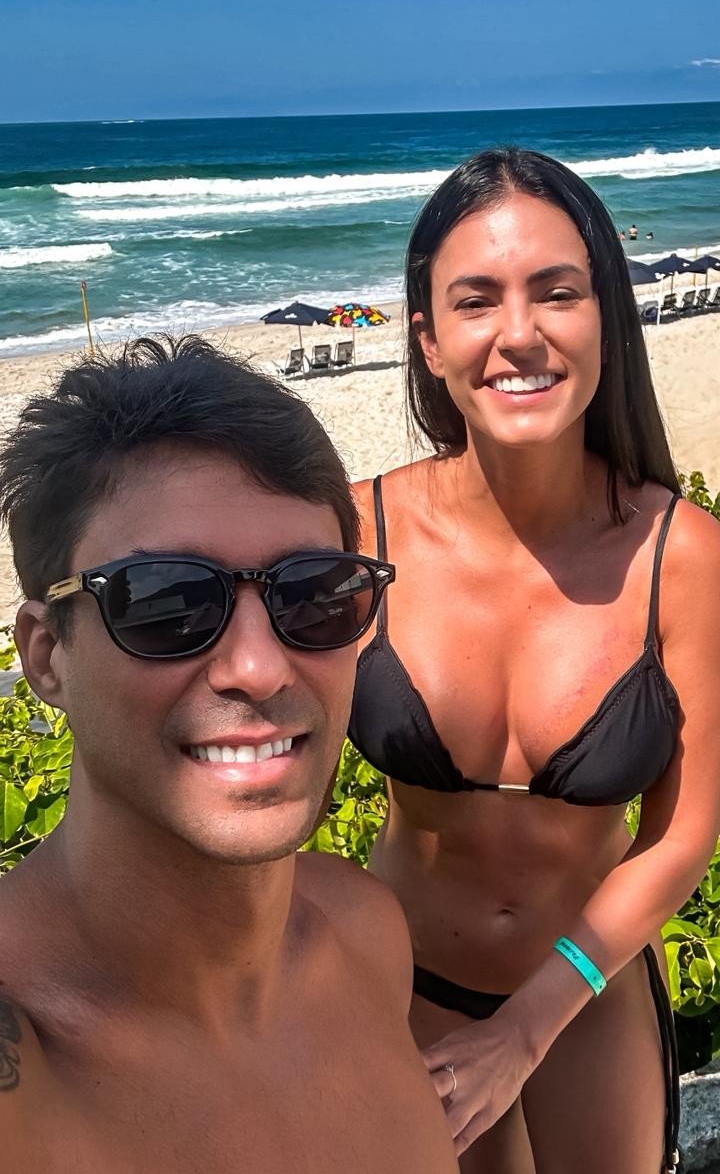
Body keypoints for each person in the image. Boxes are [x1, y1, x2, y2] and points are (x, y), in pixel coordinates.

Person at [0, 336, 459, 1174]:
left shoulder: (366, 935)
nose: (258, 666)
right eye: (166, 602)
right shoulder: (23, 1065)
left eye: (314, 596)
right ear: (45, 654)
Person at [349, 149, 720, 1174]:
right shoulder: (356, 534)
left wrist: (527, 1025)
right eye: (476, 301)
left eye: (558, 292)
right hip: (406, 986)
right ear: (428, 339)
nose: (519, 333)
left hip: (586, 989)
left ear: (606, 319)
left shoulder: (684, 556)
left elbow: (681, 834)